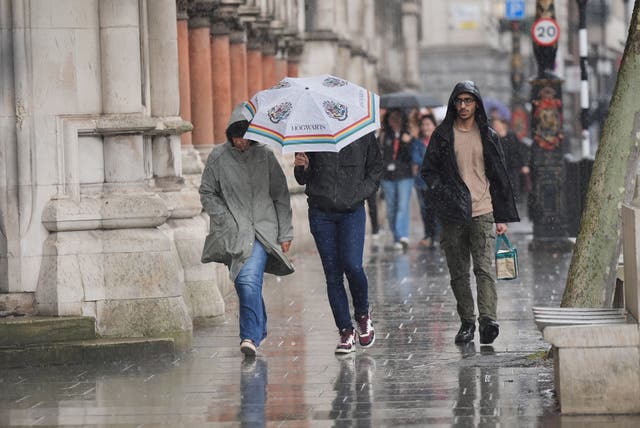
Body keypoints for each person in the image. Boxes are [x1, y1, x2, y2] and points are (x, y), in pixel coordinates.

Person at [421, 81, 519, 345]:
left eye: (468, 100)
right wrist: (442, 191)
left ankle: (488, 320)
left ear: (477, 103)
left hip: (483, 209)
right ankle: (467, 321)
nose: (463, 106)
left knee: (484, 268)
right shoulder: (442, 135)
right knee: (459, 272)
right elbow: (428, 171)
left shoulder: (488, 135)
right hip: (453, 214)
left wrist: (502, 217)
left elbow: (499, 176)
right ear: (454, 103)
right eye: (459, 101)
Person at [200, 103, 294, 358]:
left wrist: (285, 233)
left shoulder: (266, 156)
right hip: (235, 232)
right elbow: (207, 192)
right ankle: (258, 328)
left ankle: (249, 336)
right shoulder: (218, 157)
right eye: (236, 136)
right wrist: (223, 219)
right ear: (230, 135)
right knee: (245, 283)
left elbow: (281, 195)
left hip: (263, 231)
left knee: (247, 279)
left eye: (245, 136)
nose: (240, 142)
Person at [293, 132, 382, 354]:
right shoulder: (310, 132)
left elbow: (375, 171)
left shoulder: (362, 132)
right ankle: (345, 331)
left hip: (352, 211)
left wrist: (356, 194)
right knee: (332, 274)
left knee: (353, 265)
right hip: (321, 212)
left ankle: (362, 314)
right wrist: (301, 167)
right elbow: (302, 179)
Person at [379, 109, 415, 250]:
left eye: (398, 118)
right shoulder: (384, 136)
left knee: (402, 206)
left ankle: (402, 235)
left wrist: (406, 143)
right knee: (391, 208)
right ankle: (396, 236)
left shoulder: (408, 136)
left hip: (404, 175)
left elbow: (411, 157)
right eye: (392, 118)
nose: (395, 121)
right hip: (387, 176)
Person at [411, 113, 441, 248]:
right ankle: (428, 234)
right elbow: (415, 158)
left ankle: (438, 235)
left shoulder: (440, 141)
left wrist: (426, 162)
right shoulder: (417, 143)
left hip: (438, 182)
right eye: (423, 125)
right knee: (425, 210)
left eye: (428, 124)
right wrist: (431, 161)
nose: (425, 127)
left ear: (434, 125)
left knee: (438, 210)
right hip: (422, 182)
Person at [491, 116, 530, 204]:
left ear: (503, 125)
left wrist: (524, 165)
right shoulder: (493, 138)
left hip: (513, 167)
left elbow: (519, 150)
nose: (496, 126)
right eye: (494, 125)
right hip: (500, 167)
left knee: (514, 188)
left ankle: (514, 206)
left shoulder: (512, 135)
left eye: (498, 124)